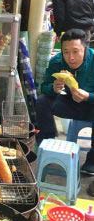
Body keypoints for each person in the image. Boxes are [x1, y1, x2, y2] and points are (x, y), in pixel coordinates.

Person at [35, 29, 94, 178]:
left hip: (90, 106)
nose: (71, 58)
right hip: (68, 103)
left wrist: (88, 96)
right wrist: (53, 88)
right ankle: (47, 147)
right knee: (42, 101)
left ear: (85, 48)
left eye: (76, 51)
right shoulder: (57, 61)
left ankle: (91, 161)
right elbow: (44, 86)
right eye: (66, 52)